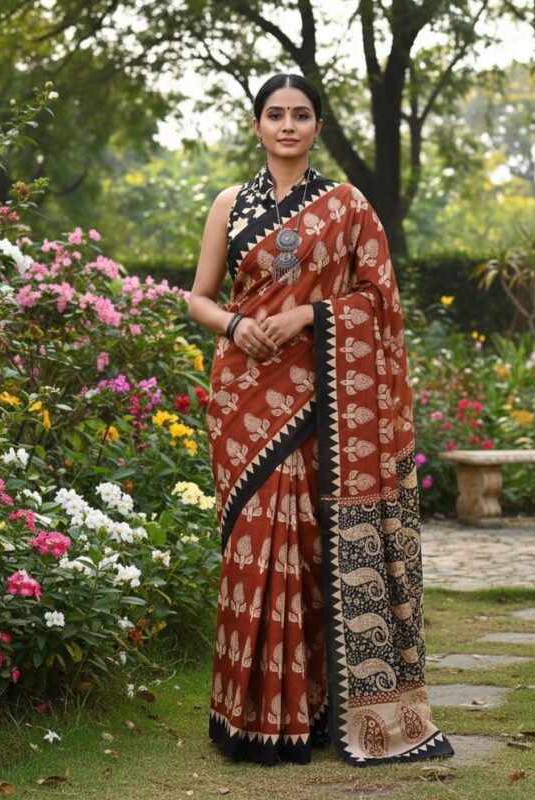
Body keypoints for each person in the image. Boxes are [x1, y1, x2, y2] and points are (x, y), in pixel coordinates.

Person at [187, 73, 454, 767]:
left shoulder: (348, 206)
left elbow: (378, 297)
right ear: (257, 125)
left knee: (309, 544)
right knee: (256, 537)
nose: (287, 125)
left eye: (301, 115)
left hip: (322, 398)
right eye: (275, 114)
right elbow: (200, 299)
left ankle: (311, 709)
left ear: (317, 127)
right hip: (243, 397)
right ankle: (250, 715)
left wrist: (310, 313)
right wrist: (238, 325)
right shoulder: (228, 203)